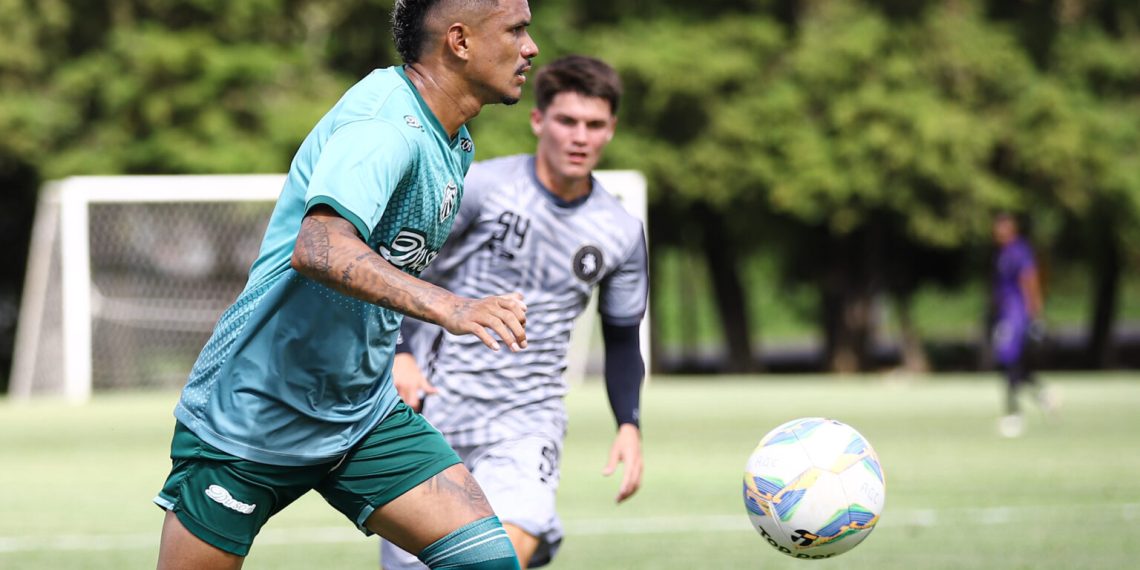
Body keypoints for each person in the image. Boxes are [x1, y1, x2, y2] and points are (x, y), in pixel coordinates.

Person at [153, 1, 540, 569]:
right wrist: (451, 307)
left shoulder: (451, 137)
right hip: (253, 412)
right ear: (459, 41)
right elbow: (319, 247)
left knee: (486, 563)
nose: (530, 47)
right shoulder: (384, 128)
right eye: (516, 29)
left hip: (360, 415)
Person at [380, 55, 648, 570]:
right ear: (538, 121)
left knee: (499, 556)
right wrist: (399, 353)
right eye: (567, 121)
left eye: (594, 125)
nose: (579, 136)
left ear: (610, 130)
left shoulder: (619, 231)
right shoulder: (482, 188)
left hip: (528, 418)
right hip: (434, 410)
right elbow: (399, 264)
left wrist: (629, 424)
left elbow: (621, 337)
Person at [990, 212, 1056, 438]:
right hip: (1007, 314)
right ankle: (1042, 394)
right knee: (1012, 364)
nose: (998, 231)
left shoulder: (1020, 251)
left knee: (1009, 363)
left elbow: (1030, 281)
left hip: (1017, 316)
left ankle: (1013, 414)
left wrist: (1035, 316)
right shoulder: (1002, 253)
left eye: (1002, 226)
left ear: (1012, 228)